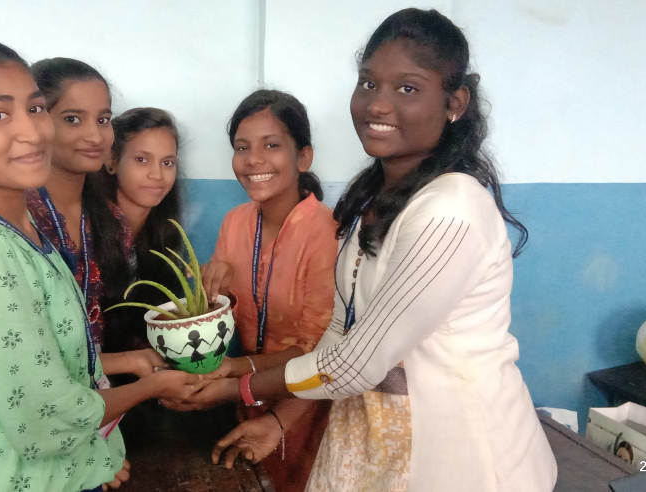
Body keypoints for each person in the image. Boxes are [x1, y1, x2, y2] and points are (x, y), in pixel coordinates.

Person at [180, 9, 558, 492]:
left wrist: (237, 388)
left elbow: (355, 364)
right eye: (368, 83)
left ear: (454, 103)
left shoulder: (452, 209)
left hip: (460, 453)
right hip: (375, 440)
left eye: (407, 88)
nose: (377, 104)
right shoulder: (371, 201)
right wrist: (270, 416)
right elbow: (339, 335)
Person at [0, 38, 206, 492]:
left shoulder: (24, 233)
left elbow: (63, 364)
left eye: (34, 108)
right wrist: (153, 387)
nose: (31, 131)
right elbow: (46, 420)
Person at [199, 90, 338, 492]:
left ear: (303, 157)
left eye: (271, 145)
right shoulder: (235, 222)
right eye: (242, 147)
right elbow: (219, 321)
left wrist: (232, 372)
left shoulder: (328, 231)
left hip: (307, 403)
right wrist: (210, 296)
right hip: (248, 401)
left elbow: (315, 352)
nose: (253, 159)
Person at [24, 58, 164, 377]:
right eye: (72, 119)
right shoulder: (18, 222)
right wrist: (137, 367)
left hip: (98, 392)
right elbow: (25, 360)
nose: (95, 136)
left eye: (103, 120)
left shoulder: (111, 220)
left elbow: (110, 325)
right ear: (36, 122)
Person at [86, 107, 185, 353]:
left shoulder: (163, 234)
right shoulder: (88, 234)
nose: (157, 174)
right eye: (142, 159)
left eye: (167, 162)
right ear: (111, 161)